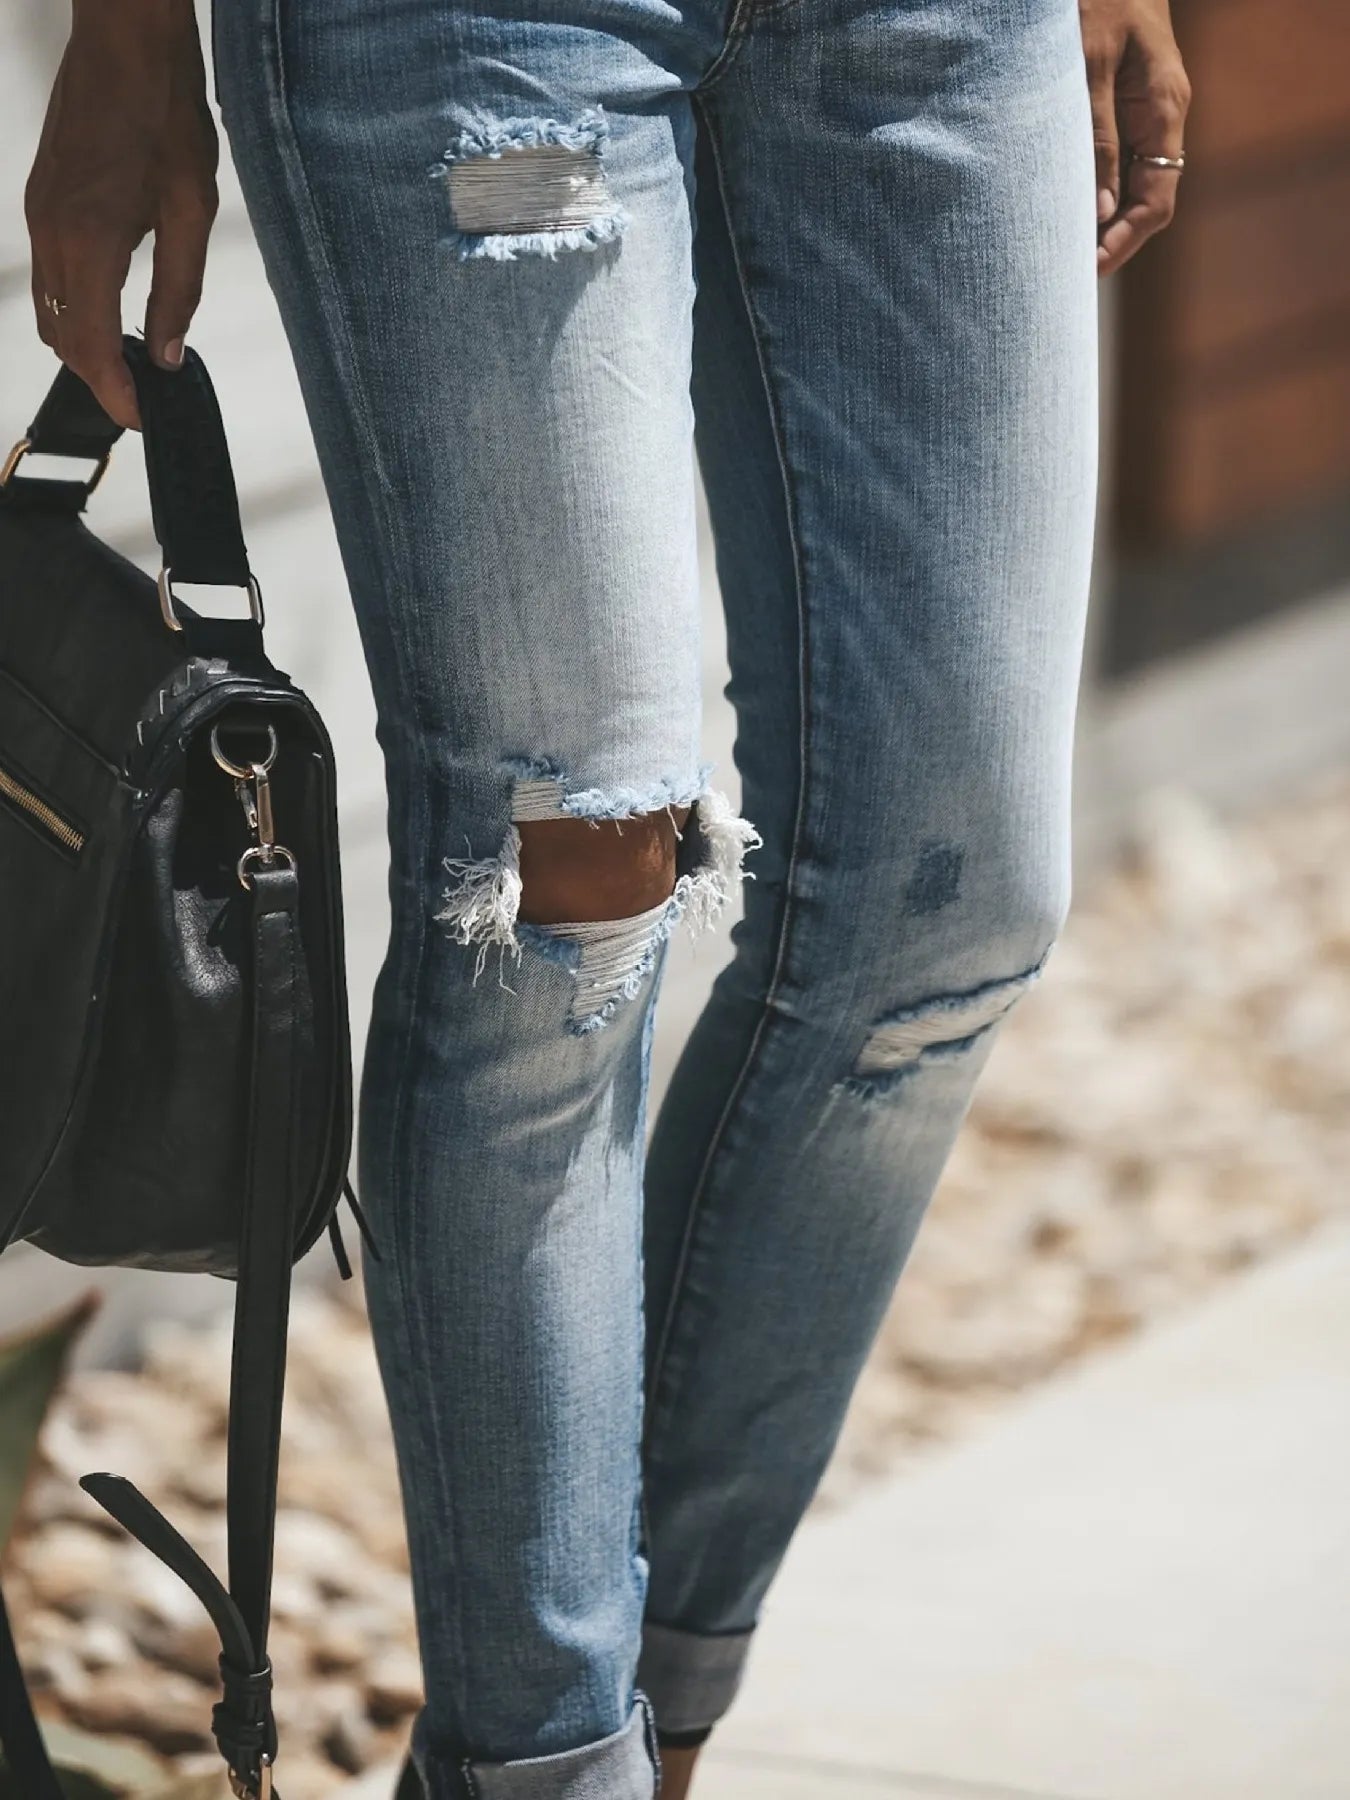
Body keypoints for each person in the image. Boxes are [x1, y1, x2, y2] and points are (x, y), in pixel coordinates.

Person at [24, 0, 1188, 1794]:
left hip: (937, 30)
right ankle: (552, 1761)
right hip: (489, 36)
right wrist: (124, 39)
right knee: (561, 898)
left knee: (946, 900)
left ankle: (660, 1702)